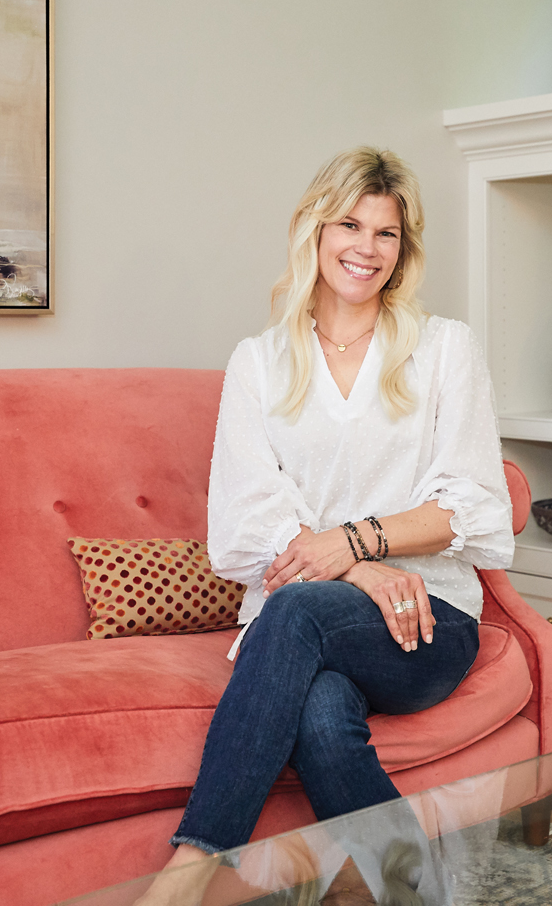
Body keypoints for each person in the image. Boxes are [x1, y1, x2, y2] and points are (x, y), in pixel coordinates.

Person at [137, 147, 515, 906]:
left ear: (403, 250)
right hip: (313, 615)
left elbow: (470, 508)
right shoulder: (262, 362)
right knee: (319, 707)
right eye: (350, 224)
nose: (365, 249)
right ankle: (404, 883)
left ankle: (190, 869)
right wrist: (361, 569)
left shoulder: (444, 350)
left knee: (298, 608)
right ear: (314, 230)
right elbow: (244, 525)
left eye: (386, 234)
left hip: (425, 620)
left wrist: (351, 541)